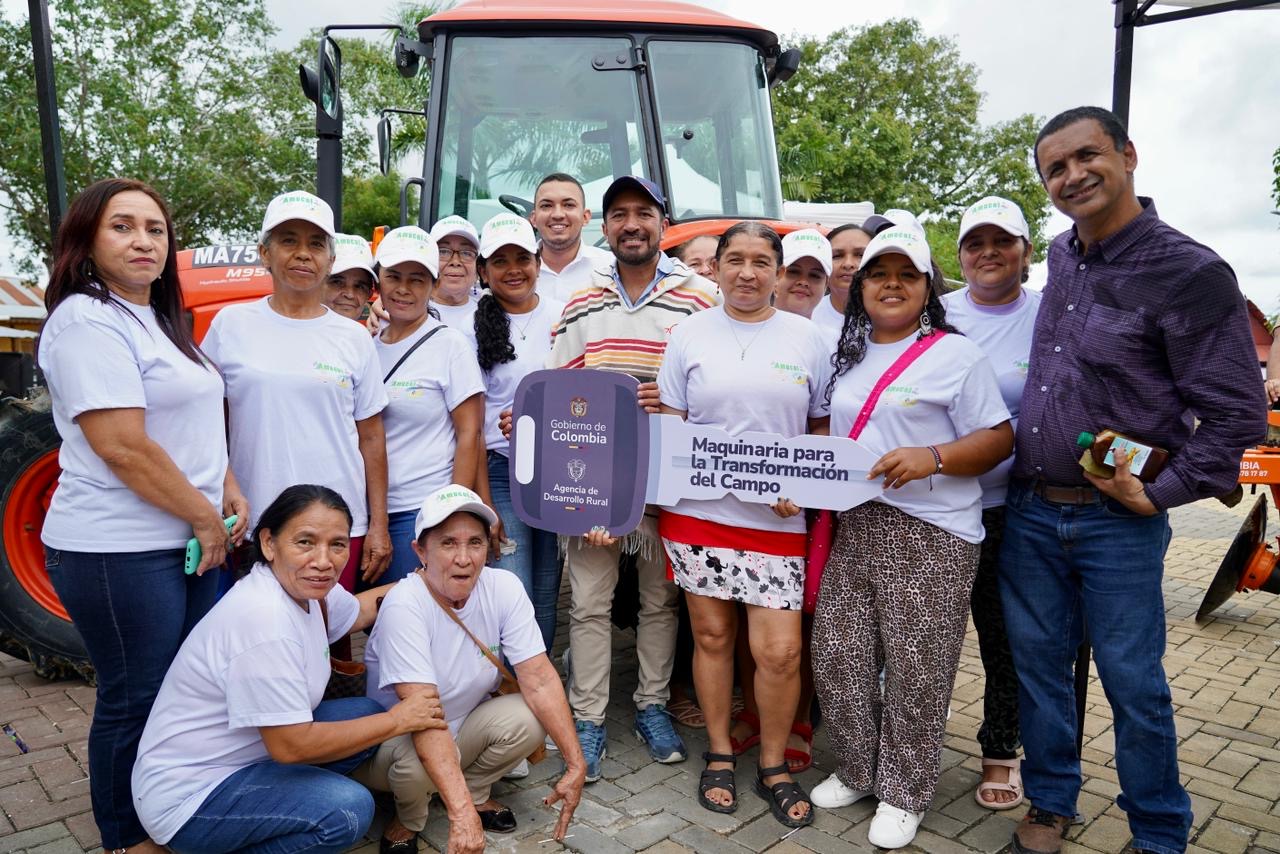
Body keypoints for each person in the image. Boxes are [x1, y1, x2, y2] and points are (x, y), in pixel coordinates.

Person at [1002, 106, 1267, 854]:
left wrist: (1161, 491)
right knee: (1042, 675)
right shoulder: (1060, 255)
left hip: (1117, 522)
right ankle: (1051, 803)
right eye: (1055, 167)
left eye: (1088, 156)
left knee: (1133, 685)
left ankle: (1159, 831)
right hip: (1030, 513)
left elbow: (1238, 416)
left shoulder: (1190, 271)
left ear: (1129, 154)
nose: (1073, 175)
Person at [36, 177, 249, 854]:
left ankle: (170, 810)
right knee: (135, 697)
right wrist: (206, 517)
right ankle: (127, 839)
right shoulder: (84, 321)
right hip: (118, 550)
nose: (143, 241)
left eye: (155, 229)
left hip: (183, 538)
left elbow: (190, 418)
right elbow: (122, 445)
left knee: (181, 691)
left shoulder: (154, 317)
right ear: (87, 241)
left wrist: (227, 485)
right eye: (123, 226)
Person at [810, 225, 1013, 849]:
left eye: (907, 274)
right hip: (858, 522)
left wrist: (935, 455)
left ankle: (905, 789)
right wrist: (802, 475)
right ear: (861, 286)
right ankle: (858, 766)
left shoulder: (956, 354)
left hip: (934, 531)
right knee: (838, 651)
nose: (891, 284)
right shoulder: (847, 352)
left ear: (928, 287)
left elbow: (1000, 438)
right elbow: (831, 436)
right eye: (878, 273)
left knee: (916, 668)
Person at [131, 485, 446, 854]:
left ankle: (288, 804)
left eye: (338, 544)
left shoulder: (306, 589)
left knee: (364, 713)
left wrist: (428, 579)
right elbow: (290, 746)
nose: (324, 560)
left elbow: (359, 611)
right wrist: (400, 719)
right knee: (347, 810)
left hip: (248, 756)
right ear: (268, 543)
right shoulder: (265, 620)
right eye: (305, 542)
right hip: (192, 799)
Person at [539, 175, 719, 780]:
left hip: (669, 480)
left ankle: (651, 705)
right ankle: (587, 718)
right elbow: (560, 391)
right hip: (592, 482)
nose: (632, 224)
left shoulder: (700, 297)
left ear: (661, 224)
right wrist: (576, 494)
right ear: (605, 227)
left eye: (644, 212)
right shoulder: (582, 301)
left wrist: (673, 405)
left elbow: (717, 393)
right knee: (588, 603)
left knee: (660, 599)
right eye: (619, 214)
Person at [657, 222, 828, 828]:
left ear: (780, 272)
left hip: (777, 522)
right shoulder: (686, 336)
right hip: (700, 515)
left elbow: (819, 430)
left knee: (780, 652)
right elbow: (672, 432)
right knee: (710, 638)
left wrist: (803, 486)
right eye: (735, 260)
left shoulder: (810, 339)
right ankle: (722, 752)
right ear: (718, 267)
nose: (747, 273)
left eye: (761, 261)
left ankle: (775, 763)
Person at [355, 485, 586, 854]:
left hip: (462, 724)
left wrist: (576, 764)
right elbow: (423, 715)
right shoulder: (405, 604)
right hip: (397, 741)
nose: (464, 558)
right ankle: (410, 818)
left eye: (475, 543)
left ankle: (473, 792)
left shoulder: (504, 587)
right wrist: (461, 819)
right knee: (416, 763)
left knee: (534, 714)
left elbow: (540, 678)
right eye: (448, 543)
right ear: (420, 551)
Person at [203, 190, 391, 593]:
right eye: (289, 240)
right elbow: (206, 427)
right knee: (255, 640)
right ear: (264, 253)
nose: (303, 254)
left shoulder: (353, 339)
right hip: (254, 522)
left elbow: (372, 439)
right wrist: (224, 488)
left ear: (331, 258)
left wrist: (378, 525)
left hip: (338, 526)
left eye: (316, 243)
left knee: (330, 641)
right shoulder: (229, 325)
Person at [940, 196, 1040, 809]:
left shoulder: (1049, 313)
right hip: (937, 505)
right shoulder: (937, 313)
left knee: (1005, 636)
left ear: (1027, 253)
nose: (988, 253)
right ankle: (900, 744)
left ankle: (1002, 751)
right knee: (921, 637)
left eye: (1002, 241)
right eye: (975, 243)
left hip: (1012, 505)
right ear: (960, 255)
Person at [466, 213, 565, 649]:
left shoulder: (565, 317)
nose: (513, 269)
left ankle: (536, 689)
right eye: (499, 261)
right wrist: (484, 499)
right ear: (483, 270)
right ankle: (512, 684)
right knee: (513, 586)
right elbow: (473, 422)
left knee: (547, 588)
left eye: (522, 258)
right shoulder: (468, 329)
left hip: (559, 470)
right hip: (502, 472)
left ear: (538, 261)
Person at [373, 226, 485, 583]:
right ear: (378, 280)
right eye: (394, 277)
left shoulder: (450, 345)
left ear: (432, 285)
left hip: (421, 509)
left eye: (417, 279)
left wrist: (452, 513)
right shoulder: (365, 345)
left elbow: (470, 433)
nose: (404, 289)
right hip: (368, 509)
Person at [529, 172, 613, 302]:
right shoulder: (515, 274)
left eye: (568, 205)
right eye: (546, 205)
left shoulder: (611, 267)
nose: (557, 214)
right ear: (534, 219)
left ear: (585, 217)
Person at [809, 222, 874, 341]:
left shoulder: (893, 319)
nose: (848, 264)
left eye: (860, 255)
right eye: (837, 256)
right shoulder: (807, 314)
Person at [428, 215, 484, 331]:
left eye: (466, 253)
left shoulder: (492, 310)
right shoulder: (403, 309)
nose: (455, 262)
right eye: (443, 251)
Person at [773, 229, 831, 319]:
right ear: (776, 274)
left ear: (826, 284)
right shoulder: (746, 328)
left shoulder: (836, 332)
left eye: (814, 275)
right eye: (794, 271)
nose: (803, 282)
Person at [324, 233, 377, 322]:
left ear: (369, 294)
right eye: (337, 282)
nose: (349, 295)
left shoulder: (371, 334)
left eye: (359, 286)